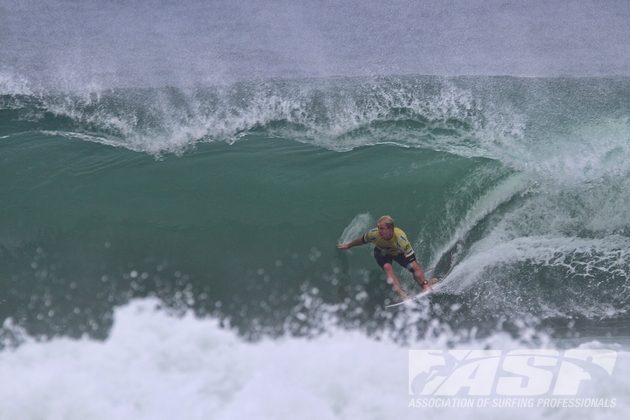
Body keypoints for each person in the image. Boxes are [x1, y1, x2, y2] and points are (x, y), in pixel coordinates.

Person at [337, 215, 431, 300]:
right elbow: (361, 240)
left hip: (398, 253)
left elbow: (414, 264)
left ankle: (425, 284)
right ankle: (401, 293)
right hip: (381, 252)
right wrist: (349, 245)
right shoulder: (374, 234)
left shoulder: (400, 238)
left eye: (382, 228)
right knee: (387, 267)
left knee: (414, 268)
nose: (379, 231)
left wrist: (425, 285)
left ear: (390, 229)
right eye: (378, 228)